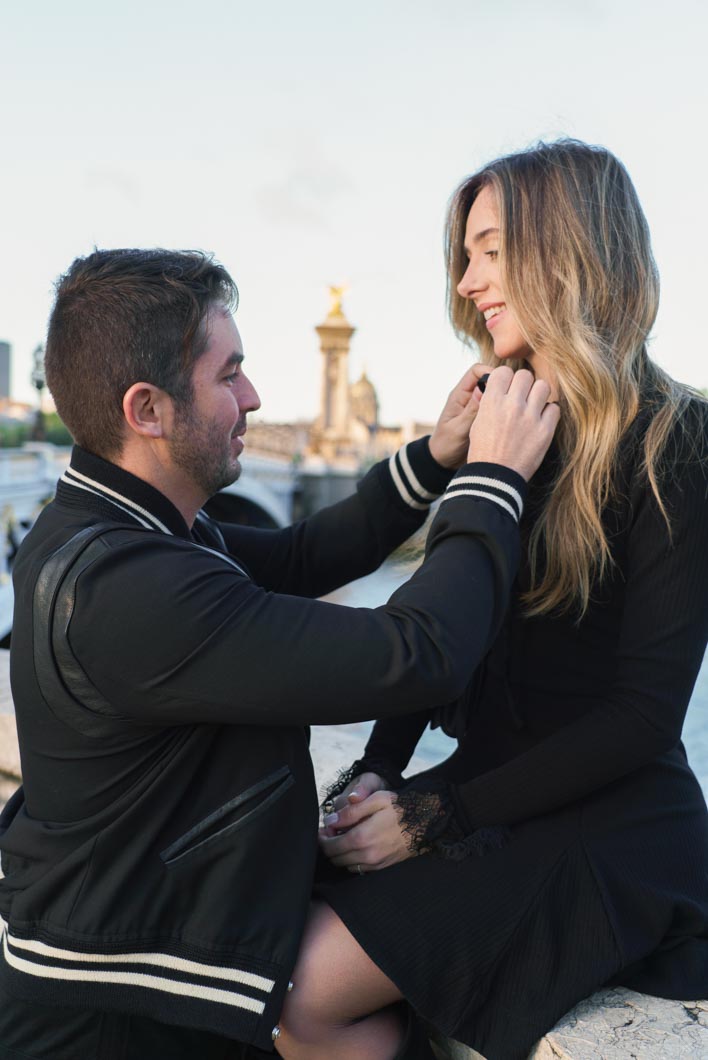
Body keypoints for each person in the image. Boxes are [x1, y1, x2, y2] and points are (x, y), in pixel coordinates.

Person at [0, 248, 558, 1059]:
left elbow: (295, 560)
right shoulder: (134, 589)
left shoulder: (117, 530)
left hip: (113, 968)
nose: (253, 398)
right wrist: (495, 479)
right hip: (116, 1021)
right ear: (147, 409)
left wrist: (435, 459)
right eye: (229, 375)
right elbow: (419, 652)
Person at [277, 139, 708, 1060]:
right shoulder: (505, 426)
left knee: (308, 986)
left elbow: (641, 716)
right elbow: (439, 636)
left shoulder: (678, 438)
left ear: (568, 251)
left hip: (609, 824)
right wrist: (378, 778)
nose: (467, 281)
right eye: (464, 255)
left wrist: (436, 819)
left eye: (489, 251)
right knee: (258, 920)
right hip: (494, 792)